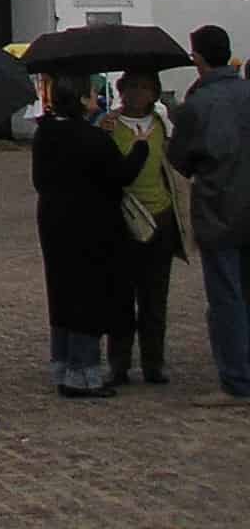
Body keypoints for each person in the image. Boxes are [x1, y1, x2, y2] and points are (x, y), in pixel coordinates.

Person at [32, 76, 149, 396]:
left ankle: (62, 363)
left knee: (61, 292)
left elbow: (39, 180)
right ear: (82, 100)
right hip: (91, 225)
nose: (98, 97)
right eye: (94, 93)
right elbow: (120, 175)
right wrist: (140, 147)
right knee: (88, 296)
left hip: (54, 221)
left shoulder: (46, 134)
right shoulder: (91, 138)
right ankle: (83, 373)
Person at [170, 22, 250, 405]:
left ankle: (237, 380)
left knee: (227, 298)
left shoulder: (197, 105)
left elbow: (179, 161)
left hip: (219, 209)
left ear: (197, 58)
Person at [104, 68, 184, 385]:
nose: (137, 94)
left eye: (145, 88)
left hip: (160, 215)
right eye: (131, 88)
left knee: (155, 296)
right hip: (123, 217)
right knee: (121, 296)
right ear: (122, 91)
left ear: (154, 94)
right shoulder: (110, 126)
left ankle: (154, 361)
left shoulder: (163, 126)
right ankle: (119, 362)